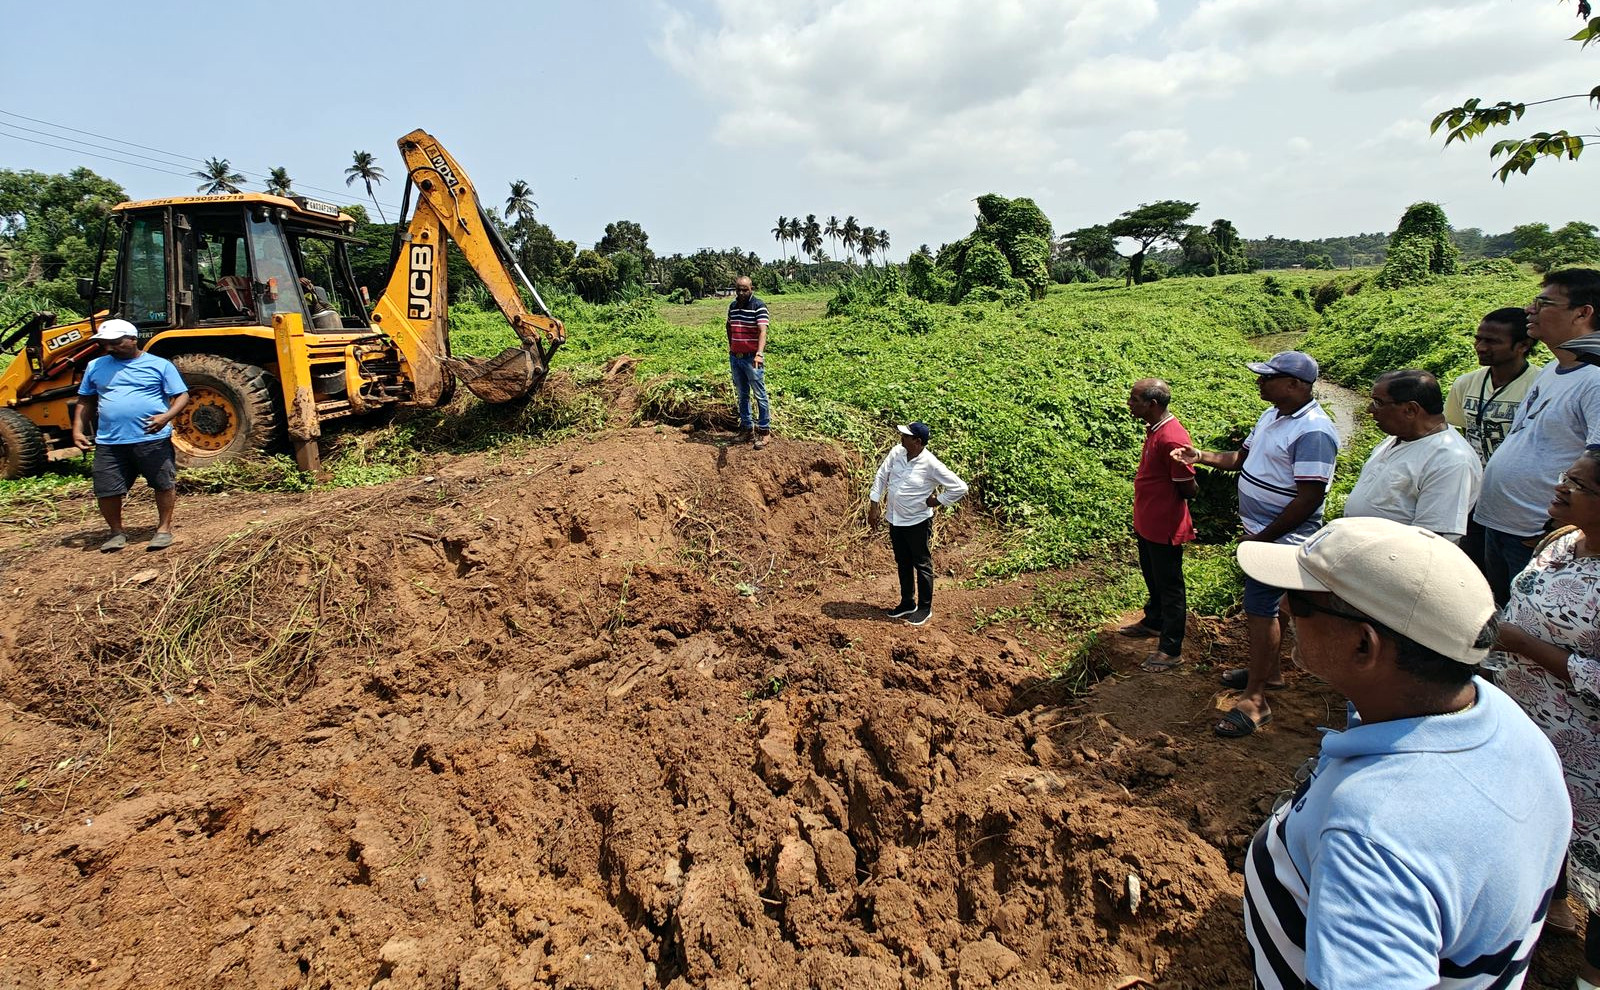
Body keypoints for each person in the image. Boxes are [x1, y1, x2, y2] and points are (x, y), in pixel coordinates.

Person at [1238, 516, 1569, 990]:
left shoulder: (1373, 834)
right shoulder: (1503, 721)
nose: (1286, 607)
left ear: (1363, 645)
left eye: (1304, 603)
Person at [1172, 351, 1340, 737]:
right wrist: (1200, 456)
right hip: (1262, 530)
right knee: (1273, 606)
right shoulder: (1271, 416)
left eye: (1268, 377)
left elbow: (1309, 496)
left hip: (1282, 536)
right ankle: (1272, 671)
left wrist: (1262, 539)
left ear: (1296, 385)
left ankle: (1256, 699)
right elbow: (1240, 460)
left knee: (1260, 608)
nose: (1260, 382)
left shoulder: (1313, 431)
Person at [1489, 449, 1600, 987]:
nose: (1560, 488)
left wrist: (1523, 645)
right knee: (1536, 816)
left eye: (1577, 484)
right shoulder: (1559, 542)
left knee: (1593, 849)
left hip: (1586, 749)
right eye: (1565, 476)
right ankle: (1553, 902)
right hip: (1526, 718)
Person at [1475, 268, 1600, 606]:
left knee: (1526, 629)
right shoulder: (1552, 370)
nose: (1530, 310)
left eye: (1544, 303)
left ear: (1582, 313)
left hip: (1535, 535)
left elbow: (1596, 464)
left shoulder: (1595, 380)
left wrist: (1553, 530)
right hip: (1502, 525)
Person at [71, 319, 190, 553]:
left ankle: (163, 529)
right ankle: (116, 532)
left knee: (163, 483)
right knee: (107, 489)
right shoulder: (95, 366)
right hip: (110, 441)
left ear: (133, 339)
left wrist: (166, 417)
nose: (109, 348)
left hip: (151, 438)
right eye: (105, 343)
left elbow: (182, 395)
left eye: (115, 342)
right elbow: (85, 400)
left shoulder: (159, 365)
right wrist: (77, 430)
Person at [1445, 307, 1539, 566]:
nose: (1480, 347)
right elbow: (1460, 435)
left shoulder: (1539, 386)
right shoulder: (1466, 383)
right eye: (1478, 338)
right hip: (1473, 495)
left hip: (1516, 502)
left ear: (1522, 345)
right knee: (1470, 566)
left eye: (1492, 341)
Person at [1343, 369, 1481, 543]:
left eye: (1378, 403)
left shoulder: (1449, 461)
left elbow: (1430, 540)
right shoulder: (1397, 438)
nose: (1370, 410)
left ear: (1410, 409)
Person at [1120, 379, 1199, 671]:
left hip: (1164, 523)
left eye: (1135, 399)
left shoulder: (1172, 438)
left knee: (1170, 586)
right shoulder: (1155, 430)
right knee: (1153, 576)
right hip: (1148, 520)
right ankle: (1154, 621)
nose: (1129, 403)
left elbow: (1188, 487)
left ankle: (1170, 648)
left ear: (1152, 405)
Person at [867, 422, 968, 627]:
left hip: (917, 521)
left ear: (918, 442)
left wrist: (938, 501)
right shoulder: (897, 452)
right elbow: (882, 475)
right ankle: (907, 603)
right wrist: (874, 504)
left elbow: (960, 487)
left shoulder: (931, 464)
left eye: (906, 436)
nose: (901, 438)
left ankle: (924, 608)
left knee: (922, 564)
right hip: (895, 519)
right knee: (902, 561)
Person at [726, 276, 771, 449]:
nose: (741, 292)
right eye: (738, 289)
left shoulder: (758, 306)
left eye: (745, 289)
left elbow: (762, 332)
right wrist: (732, 346)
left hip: (752, 358)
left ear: (751, 288)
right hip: (736, 357)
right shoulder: (732, 306)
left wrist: (759, 354)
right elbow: (728, 326)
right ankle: (746, 429)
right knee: (743, 395)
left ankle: (764, 431)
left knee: (760, 394)